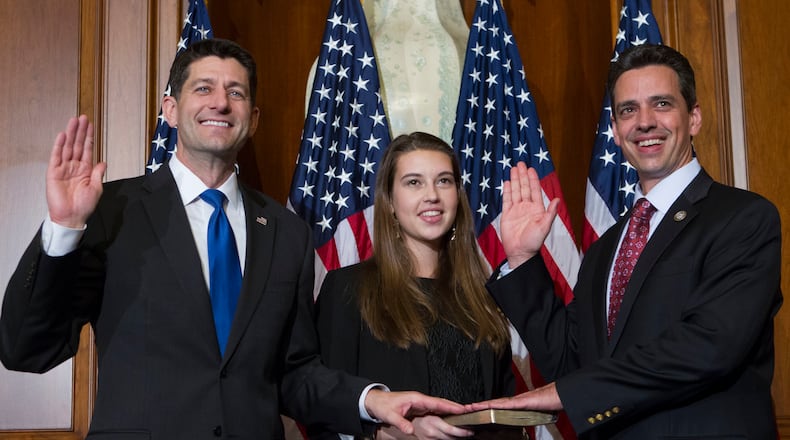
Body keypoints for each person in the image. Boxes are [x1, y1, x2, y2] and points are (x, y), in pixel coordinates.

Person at [0, 38, 464, 439]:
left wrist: (371, 400)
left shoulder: (287, 234)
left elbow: (294, 373)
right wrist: (63, 228)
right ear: (171, 110)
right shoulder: (112, 211)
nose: (220, 103)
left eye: (235, 93)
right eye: (203, 89)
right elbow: (27, 349)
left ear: (253, 118)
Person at [471, 44, 783, 439]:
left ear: (694, 118)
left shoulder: (743, 218)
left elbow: (711, 345)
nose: (645, 122)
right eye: (628, 110)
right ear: (616, 132)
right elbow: (571, 361)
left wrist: (572, 393)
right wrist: (522, 259)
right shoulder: (608, 247)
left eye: (662, 104)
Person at [309, 132, 515, 439]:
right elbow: (322, 404)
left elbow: (501, 417)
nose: (432, 194)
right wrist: (388, 433)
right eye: (414, 182)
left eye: (444, 181)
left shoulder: (482, 296)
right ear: (390, 200)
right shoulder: (347, 290)